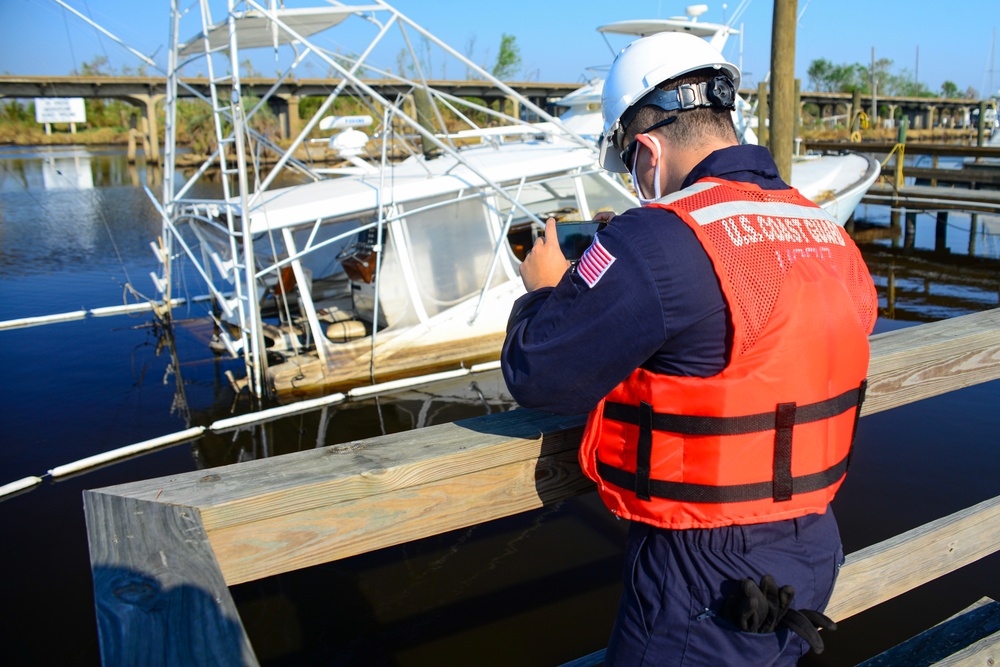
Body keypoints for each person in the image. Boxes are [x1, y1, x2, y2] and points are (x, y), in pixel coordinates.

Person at [501, 32, 878, 666]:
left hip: (706, 571)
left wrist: (544, 289)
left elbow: (539, 373)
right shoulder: (824, 230)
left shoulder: (656, 238)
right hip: (812, 545)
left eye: (627, 165)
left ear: (644, 150)